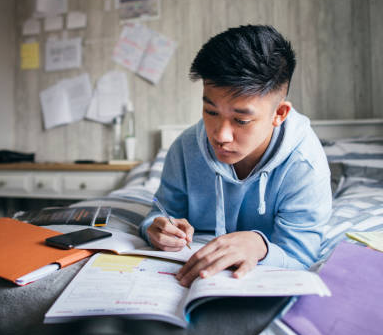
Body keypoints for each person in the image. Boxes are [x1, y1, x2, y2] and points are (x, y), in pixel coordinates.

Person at [139, 25, 332, 287]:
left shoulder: (304, 165)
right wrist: (156, 229)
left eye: (241, 120)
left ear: (280, 114)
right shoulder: (184, 148)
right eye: (211, 112)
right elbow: (160, 213)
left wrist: (260, 246)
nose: (221, 135)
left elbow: (301, 255)